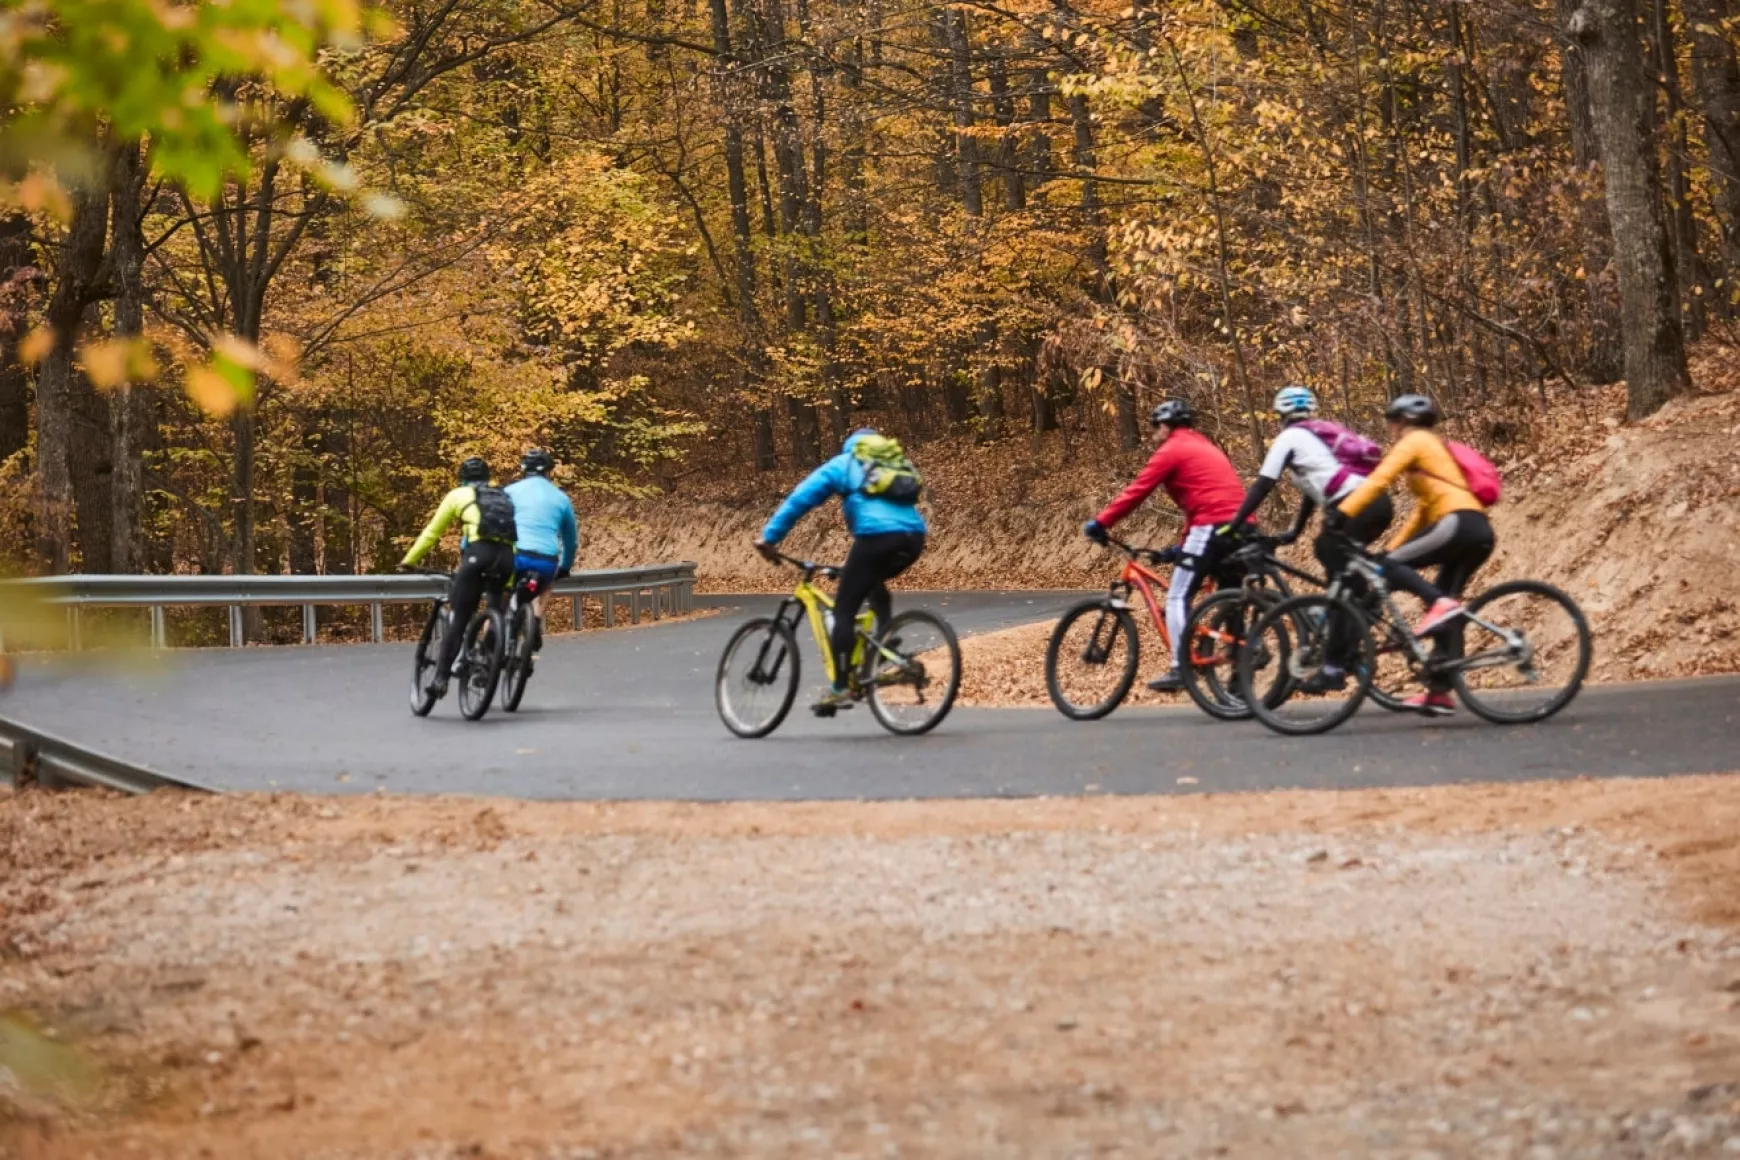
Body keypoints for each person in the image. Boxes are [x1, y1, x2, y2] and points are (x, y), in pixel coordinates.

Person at [1329, 393, 1495, 716]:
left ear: (1402, 421)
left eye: (1391, 422)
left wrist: (1344, 512)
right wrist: (1392, 548)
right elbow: (1423, 511)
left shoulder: (1414, 440)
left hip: (1458, 523)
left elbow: (1379, 480)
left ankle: (1440, 604)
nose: (1390, 428)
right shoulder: (1432, 448)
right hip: (1476, 529)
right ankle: (1440, 692)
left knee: (1402, 575)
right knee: (1445, 602)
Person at [1221, 385, 1395, 692]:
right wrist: (1293, 532)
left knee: (1328, 559)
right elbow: (1312, 492)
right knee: (1341, 580)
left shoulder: (1289, 437)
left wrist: (1235, 524)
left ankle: (1333, 666)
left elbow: (1263, 485)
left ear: (1280, 415)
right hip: (1378, 504)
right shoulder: (1320, 436)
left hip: (1352, 506)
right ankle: (1359, 619)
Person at [752, 428, 928, 714]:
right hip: (913, 538)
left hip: (875, 537)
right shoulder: (891, 463)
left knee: (843, 612)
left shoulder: (845, 463)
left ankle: (842, 687)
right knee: (870, 580)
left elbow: (801, 499)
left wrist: (770, 538)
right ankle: (886, 640)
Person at [1082, 398, 1247, 691]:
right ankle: (1242, 661)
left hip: (1210, 527)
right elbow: (1203, 498)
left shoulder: (1172, 449)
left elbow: (1137, 491)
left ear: (1166, 425)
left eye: (1156, 427)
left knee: (1176, 598)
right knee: (1230, 595)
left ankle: (1180, 667)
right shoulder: (1207, 447)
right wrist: (1178, 549)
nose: (1154, 433)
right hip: (1242, 526)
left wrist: (1102, 522)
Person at [399, 456, 519, 700]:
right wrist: (509, 582)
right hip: (507, 558)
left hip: (478, 555)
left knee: (460, 618)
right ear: (488, 478)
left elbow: (432, 532)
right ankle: (488, 658)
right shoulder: (503, 497)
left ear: (462, 479)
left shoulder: (457, 495)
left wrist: (409, 560)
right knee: (497, 607)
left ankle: (441, 679)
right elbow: (513, 537)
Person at [505, 448, 578, 653]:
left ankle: (497, 630)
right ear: (548, 472)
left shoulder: (510, 491)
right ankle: (535, 620)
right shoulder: (561, 498)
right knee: (546, 585)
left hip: (514, 556)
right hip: (546, 560)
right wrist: (565, 567)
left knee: (503, 594)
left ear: (523, 470)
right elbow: (571, 541)